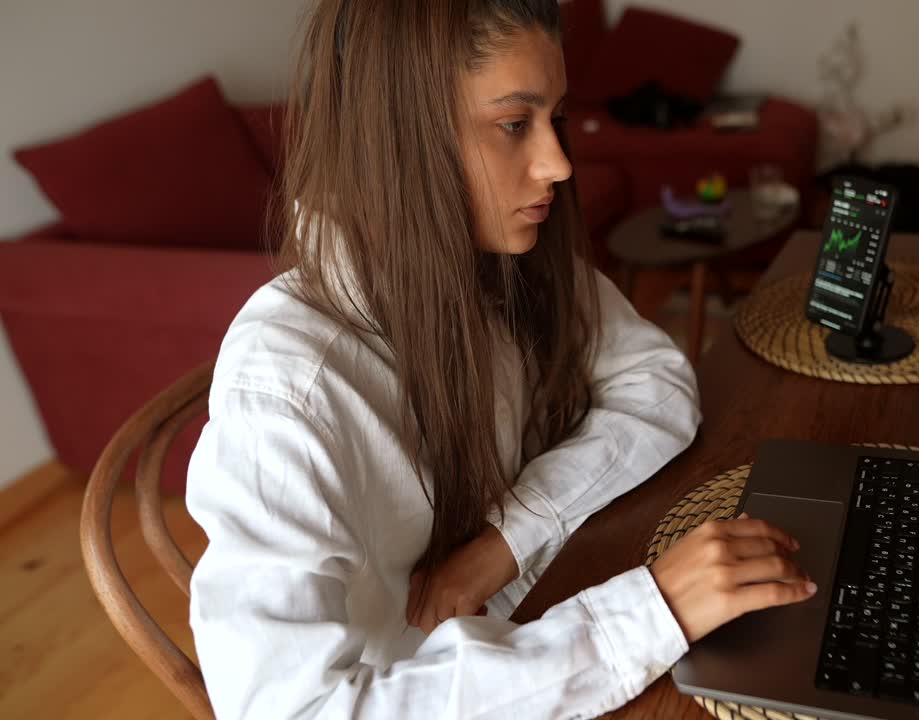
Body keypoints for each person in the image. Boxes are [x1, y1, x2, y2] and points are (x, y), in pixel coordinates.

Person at [186, 1, 816, 717]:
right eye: (515, 125)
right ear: (399, 137)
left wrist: (501, 542)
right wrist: (652, 610)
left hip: (529, 619)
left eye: (556, 119)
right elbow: (293, 710)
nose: (557, 164)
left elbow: (658, 381)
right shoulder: (287, 388)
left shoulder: (493, 261)